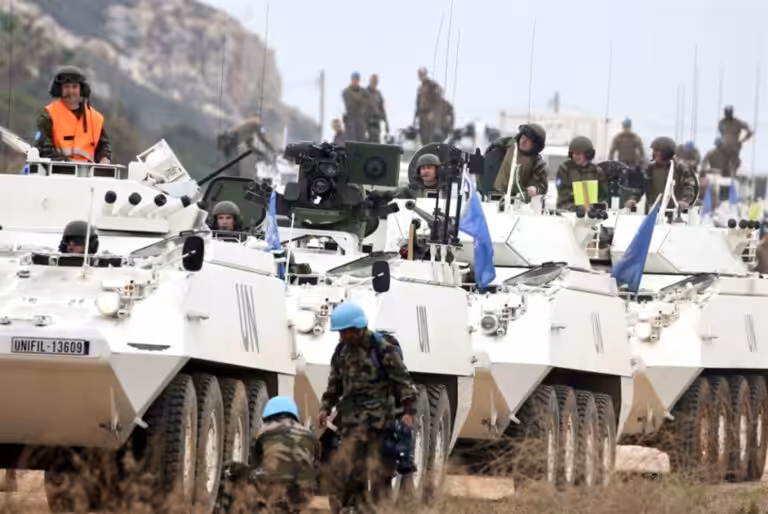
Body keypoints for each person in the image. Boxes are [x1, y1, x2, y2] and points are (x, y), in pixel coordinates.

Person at [318, 303, 418, 513]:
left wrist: (408, 413)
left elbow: (403, 381)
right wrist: (325, 407)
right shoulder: (341, 351)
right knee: (352, 476)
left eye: (344, 332)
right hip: (351, 426)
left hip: (380, 425)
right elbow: (334, 383)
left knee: (380, 476)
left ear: (357, 328)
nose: (341, 336)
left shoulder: (382, 348)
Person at [218, 396, 320, 514]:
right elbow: (315, 468)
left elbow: (256, 463)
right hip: (302, 497)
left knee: (230, 469)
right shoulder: (311, 437)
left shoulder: (263, 432)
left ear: (269, 415)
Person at [36, 65, 112, 163]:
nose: (70, 91)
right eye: (66, 87)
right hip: (56, 173)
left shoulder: (96, 118)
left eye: (74, 86)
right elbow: (43, 149)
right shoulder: (48, 114)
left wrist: (105, 158)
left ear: (82, 89)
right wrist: (67, 162)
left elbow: (104, 146)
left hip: (89, 175)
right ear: (59, 89)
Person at [626, 136, 696, 213]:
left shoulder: (681, 168)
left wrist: (685, 201)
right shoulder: (650, 169)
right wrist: (633, 199)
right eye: (654, 150)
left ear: (667, 152)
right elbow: (640, 187)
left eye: (658, 150)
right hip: (653, 211)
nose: (654, 153)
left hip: (675, 212)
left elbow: (689, 186)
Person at [492, 123, 549, 200]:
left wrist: (536, 189)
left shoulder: (538, 163)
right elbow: (494, 147)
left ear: (536, 145)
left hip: (519, 201)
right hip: (496, 195)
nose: (523, 141)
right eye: (523, 137)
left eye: (528, 140)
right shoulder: (508, 145)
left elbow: (543, 186)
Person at [555, 136, 609, 211]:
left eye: (578, 153)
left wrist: (595, 206)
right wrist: (578, 204)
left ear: (588, 154)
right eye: (573, 153)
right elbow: (563, 192)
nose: (575, 156)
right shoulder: (565, 168)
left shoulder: (596, 171)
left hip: (590, 211)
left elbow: (603, 195)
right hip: (567, 209)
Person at [718, 105, 753, 176]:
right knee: (722, 166)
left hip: (734, 148)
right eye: (726, 113)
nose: (728, 114)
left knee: (734, 165)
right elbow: (721, 133)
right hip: (724, 148)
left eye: (729, 113)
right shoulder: (721, 122)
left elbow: (749, 131)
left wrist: (742, 140)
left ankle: (732, 180)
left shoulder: (737, 122)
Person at [414, 67, 443, 145]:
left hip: (429, 114)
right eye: (419, 75)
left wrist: (432, 112)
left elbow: (438, 99)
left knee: (429, 136)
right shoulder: (420, 87)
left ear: (425, 74)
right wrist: (416, 115)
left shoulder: (432, 85)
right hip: (421, 114)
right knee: (423, 136)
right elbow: (418, 102)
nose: (420, 76)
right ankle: (425, 151)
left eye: (422, 74)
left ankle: (430, 152)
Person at [342, 72, 371, 142]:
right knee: (350, 142)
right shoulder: (346, 92)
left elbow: (367, 103)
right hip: (350, 121)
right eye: (354, 79)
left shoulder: (364, 92)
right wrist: (360, 101)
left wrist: (359, 101)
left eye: (357, 79)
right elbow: (350, 105)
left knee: (361, 141)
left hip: (361, 122)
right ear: (351, 80)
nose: (355, 81)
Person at [366, 74, 388, 143]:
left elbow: (382, 109)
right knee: (367, 142)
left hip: (377, 122)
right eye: (373, 81)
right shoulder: (364, 92)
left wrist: (386, 123)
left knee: (376, 141)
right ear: (370, 81)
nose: (374, 83)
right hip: (367, 123)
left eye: (376, 81)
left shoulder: (379, 94)